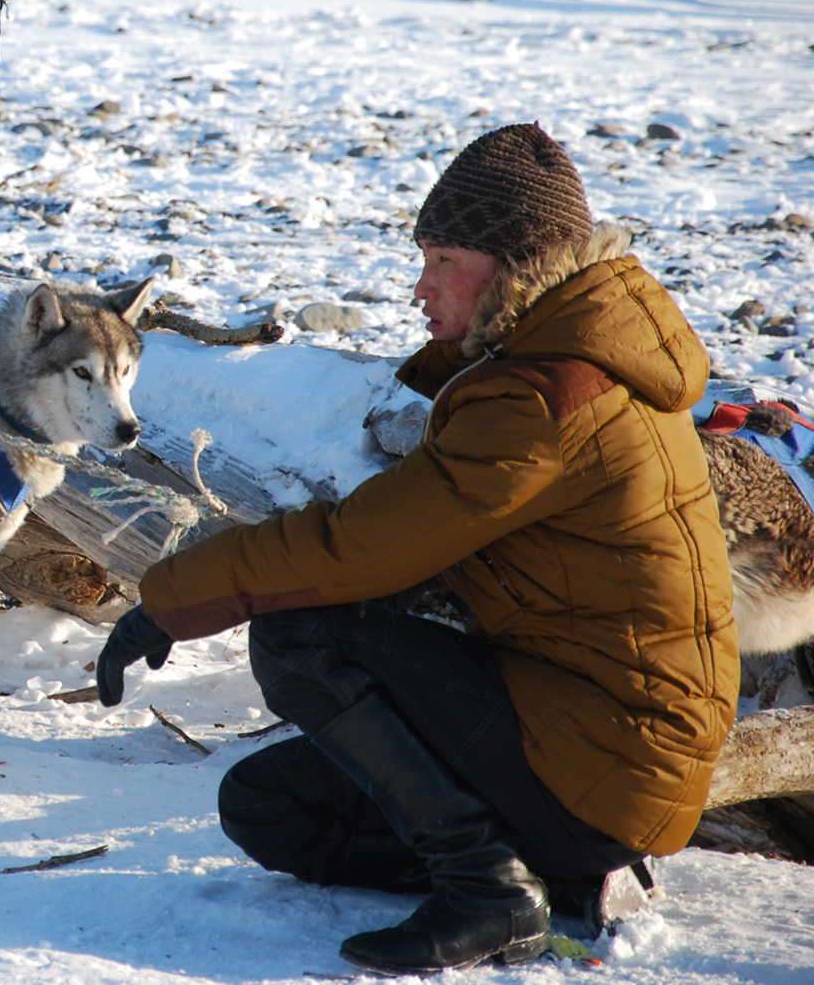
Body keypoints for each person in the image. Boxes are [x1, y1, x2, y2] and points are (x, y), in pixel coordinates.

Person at [98, 121, 737, 975]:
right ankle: (547, 874)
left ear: (516, 265)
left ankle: (492, 893)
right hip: (596, 736)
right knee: (271, 807)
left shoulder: (548, 396)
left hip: (610, 762)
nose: (420, 287)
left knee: (302, 630)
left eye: (443, 261)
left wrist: (171, 599)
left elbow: (355, 548)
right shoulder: (580, 352)